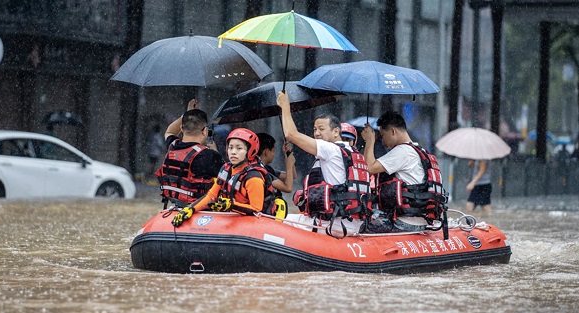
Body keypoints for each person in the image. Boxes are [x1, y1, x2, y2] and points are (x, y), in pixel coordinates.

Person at [277, 91, 373, 237]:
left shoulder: (331, 149)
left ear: (336, 132)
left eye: (321, 129)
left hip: (335, 224)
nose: (316, 133)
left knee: (279, 220)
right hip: (354, 222)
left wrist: (285, 106)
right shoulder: (353, 153)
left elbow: (291, 134)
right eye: (314, 129)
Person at [171, 128, 278, 227]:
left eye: (239, 148)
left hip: (255, 223)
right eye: (230, 148)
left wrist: (231, 205)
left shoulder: (253, 177)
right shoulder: (226, 169)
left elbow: (256, 209)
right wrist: (191, 209)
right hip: (233, 218)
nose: (233, 152)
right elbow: (212, 195)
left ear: (250, 151)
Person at [361, 112, 446, 232]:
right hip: (420, 219)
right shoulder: (419, 150)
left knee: (362, 228)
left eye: (383, 135)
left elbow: (369, 168)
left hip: (404, 222)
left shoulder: (403, 151)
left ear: (393, 131)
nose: (383, 141)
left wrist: (370, 140)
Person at [155, 99, 225, 208]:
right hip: (199, 210)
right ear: (205, 131)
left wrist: (187, 114)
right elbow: (228, 176)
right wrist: (215, 151)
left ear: (182, 128)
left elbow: (169, 131)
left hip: (174, 205)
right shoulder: (209, 155)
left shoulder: (172, 146)